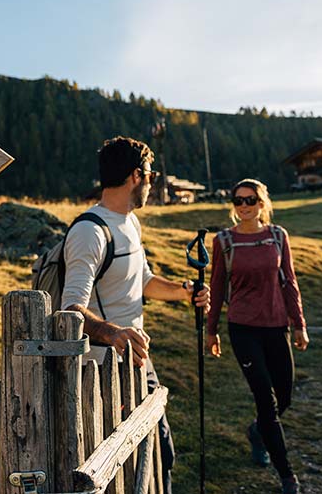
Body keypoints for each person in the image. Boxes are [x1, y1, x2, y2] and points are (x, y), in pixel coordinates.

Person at [61, 136, 210, 494]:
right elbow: (69, 309)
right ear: (135, 176)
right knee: (125, 463)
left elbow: (142, 282)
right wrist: (113, 333)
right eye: (151, 175)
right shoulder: (89, 232)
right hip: (103, 371)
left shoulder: (129, 223)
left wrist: (183, 291)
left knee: (160, 453)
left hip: (137, 359)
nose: (153, 182)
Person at [206, 178, 309, 494]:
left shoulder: (278, 236)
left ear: (262, 202)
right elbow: (218, 287)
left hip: (277, 325)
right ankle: (287, 476)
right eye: (238, 201)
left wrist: (299, 323)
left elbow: (289, 282)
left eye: (250, 200)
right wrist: (212, 331)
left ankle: (257, 431)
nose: (244, 206)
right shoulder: (224, 241)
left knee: (285, 398)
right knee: (267, 402)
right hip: (243, 328)